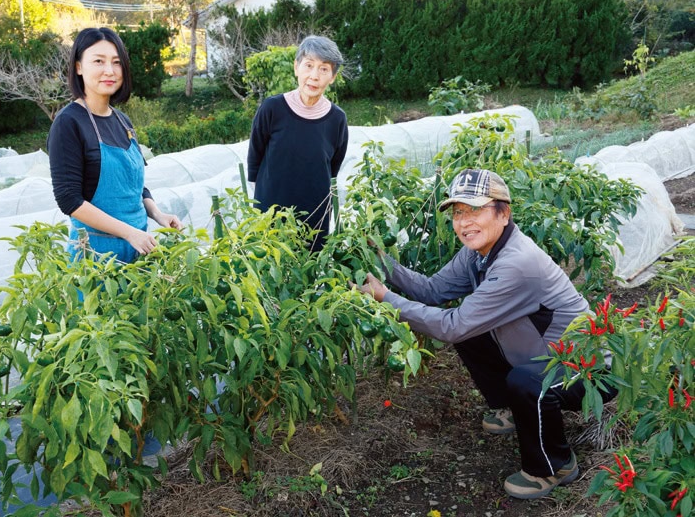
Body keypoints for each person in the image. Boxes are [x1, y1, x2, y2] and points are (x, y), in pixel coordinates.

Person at [356, 168, 617, 500]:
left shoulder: (516, 263)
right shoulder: (477, 253)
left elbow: (451, 325)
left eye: (476, 210)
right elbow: (434, 290)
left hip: (588, 371)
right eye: (459, 213)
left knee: (524, 380)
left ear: (503, 213)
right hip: (542, 355)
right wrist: (379, 257)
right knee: (474, 336)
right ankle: (511, 407)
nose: (465, 222)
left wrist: (386, 298)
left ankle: (554, 466)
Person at [48, 27, 181, 263]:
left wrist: (158, 214)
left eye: (116, 62)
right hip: (96, 258)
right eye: (98, 61)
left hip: (138, 252)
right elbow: (69, 199)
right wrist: (129, 233)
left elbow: (135, 186)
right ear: (78, 66)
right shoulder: (68, 123)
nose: (109, 71)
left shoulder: (122, 121)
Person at [247, 35, 349, 252]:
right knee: (268, 266)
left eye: (324, 69)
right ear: (296, 67)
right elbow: (255, 155)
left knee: (308, 272)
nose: (314, 76)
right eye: (309, 66)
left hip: (315, 214)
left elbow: (332, 167)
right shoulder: (272, 108)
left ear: (332, 77)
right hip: (271, 211)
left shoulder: (337, 119)